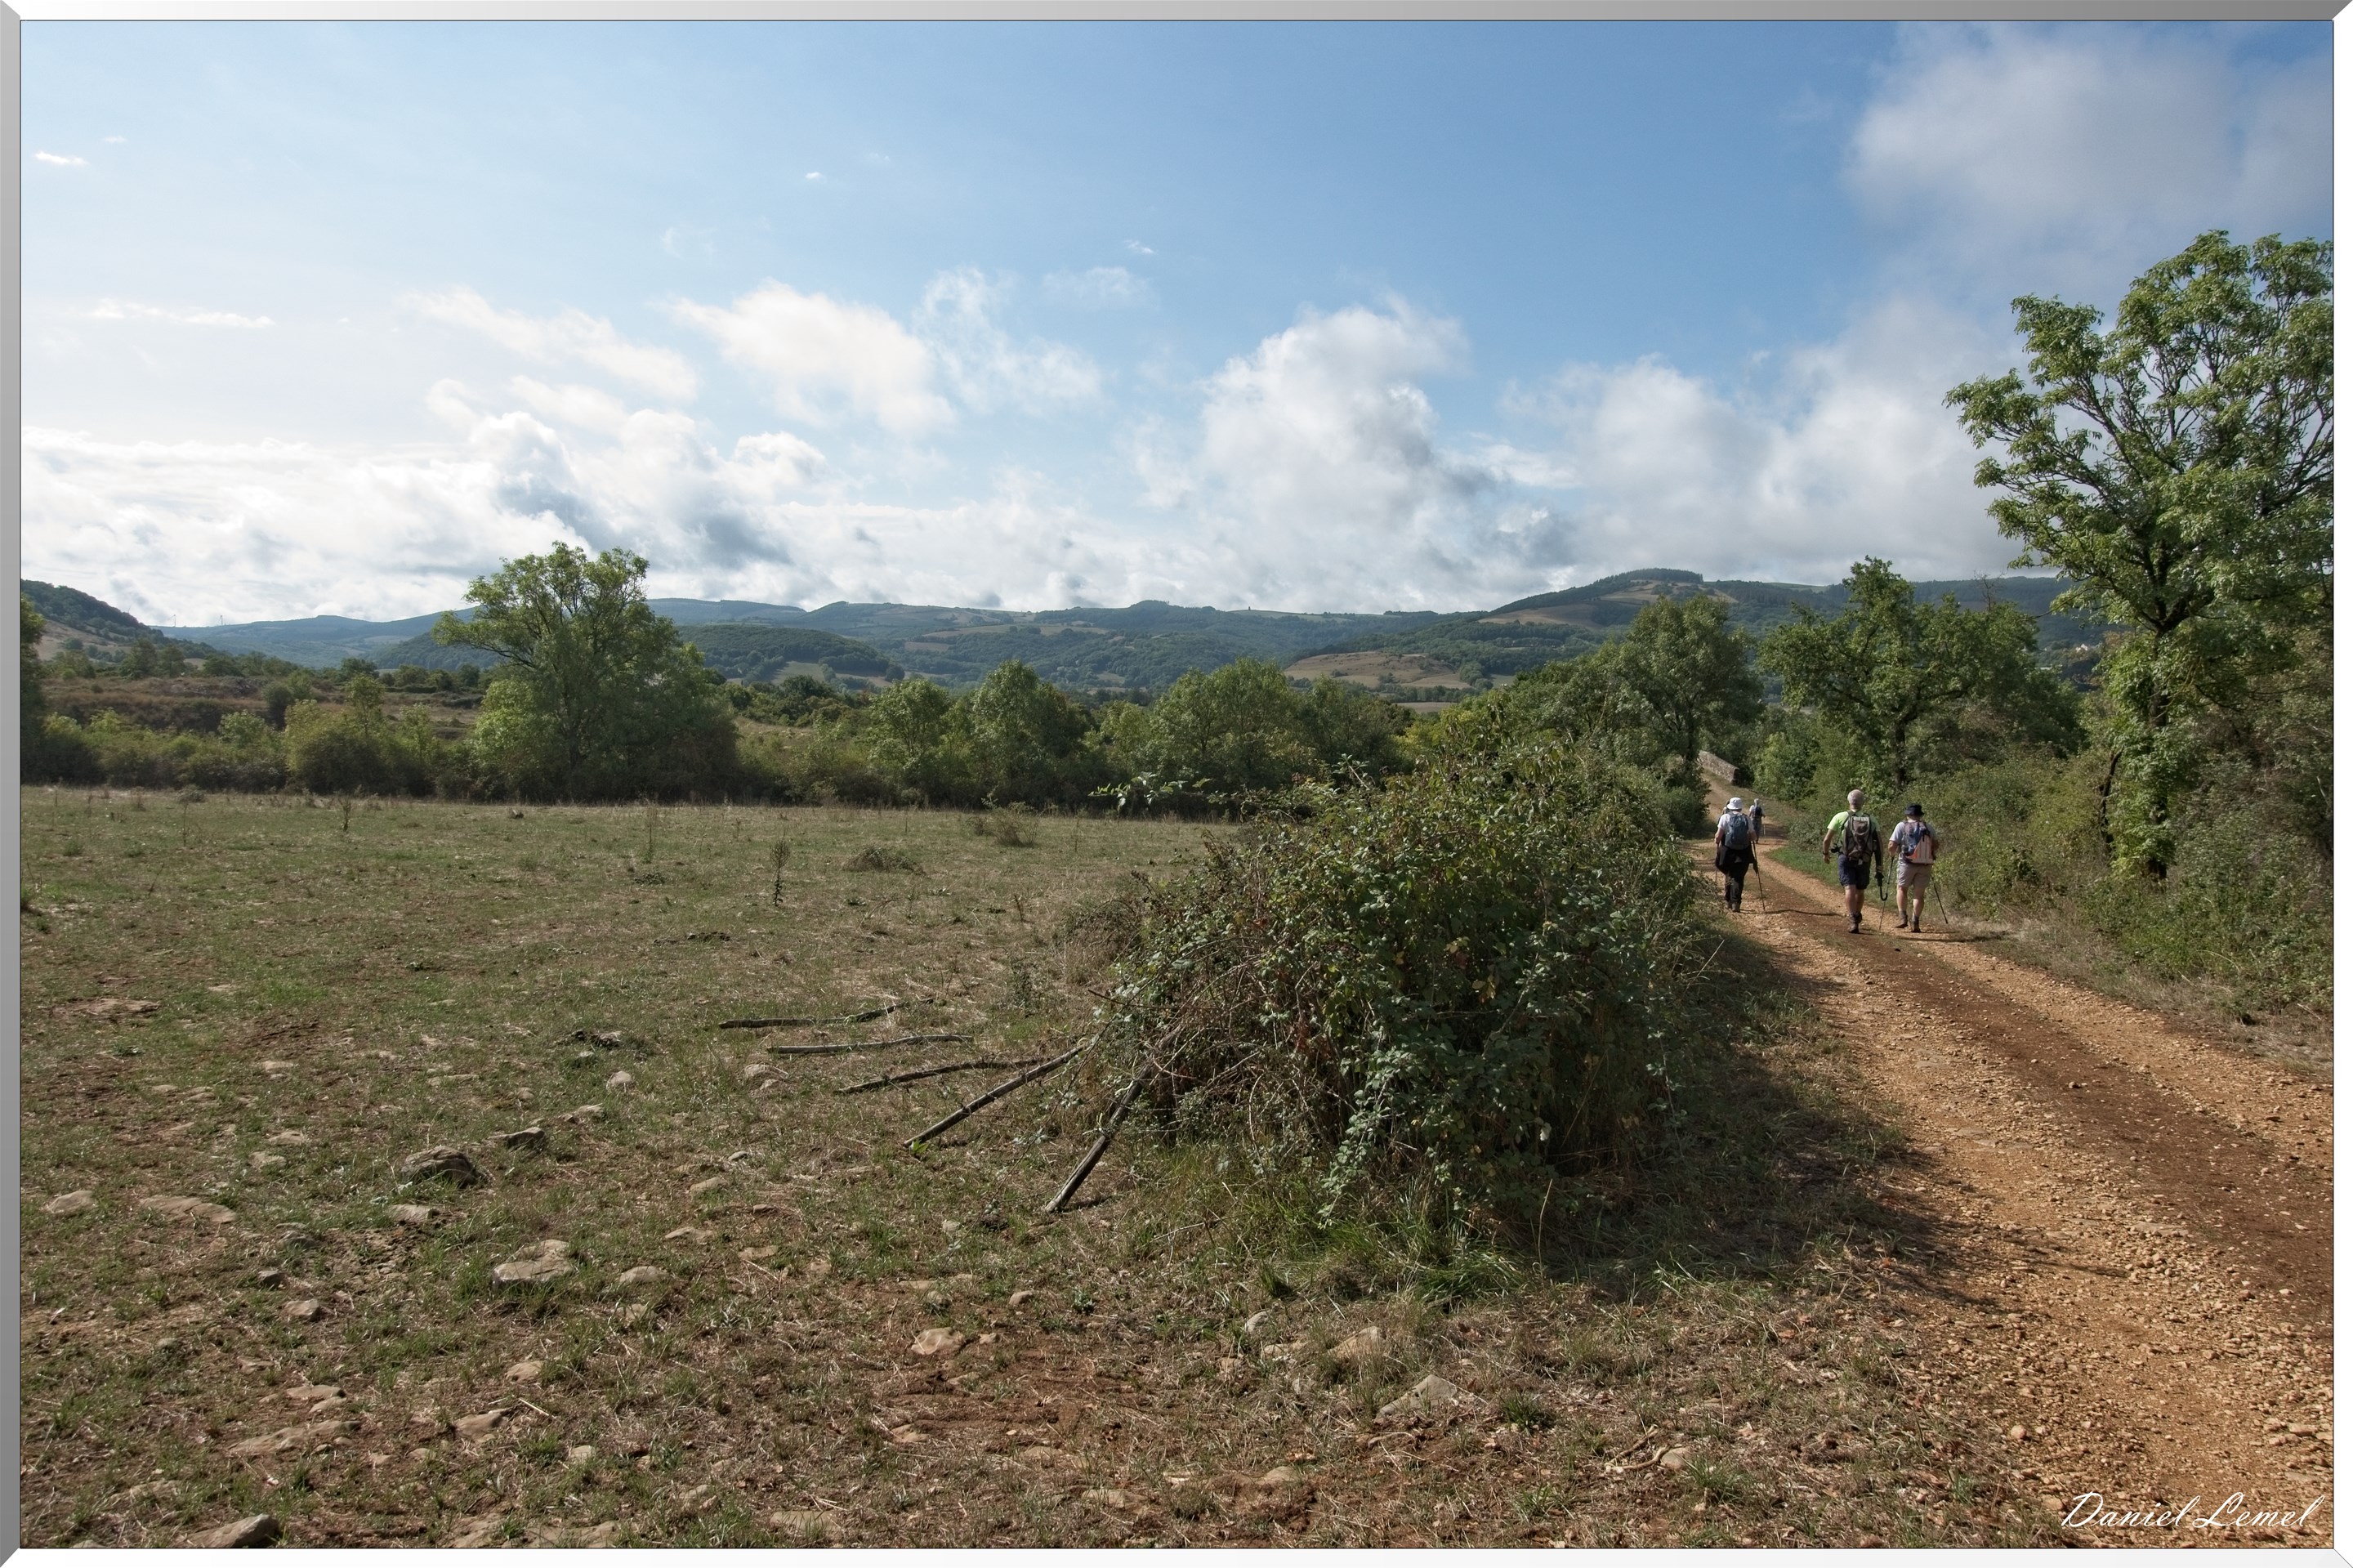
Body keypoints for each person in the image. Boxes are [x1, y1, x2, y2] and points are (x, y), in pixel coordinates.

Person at [1819, 788, 1881, 934]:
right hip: (1864, 858)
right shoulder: (1871, 819)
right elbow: (1879, 843)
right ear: (1862, 803)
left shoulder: (1840, 817)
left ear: (1849, 802)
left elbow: (1827, 839)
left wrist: (1826, 853)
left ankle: (1853, 919)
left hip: (1846, 857)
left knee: (1849, 888)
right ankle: (1857, 914)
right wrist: (1879, 865)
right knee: (1860, 890)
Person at [1889, 802, 1939, 931]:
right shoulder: (1928, 827)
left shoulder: (1902, 826)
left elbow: (1892, 844)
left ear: (1908, 815)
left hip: (1907, 863)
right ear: (1920, 815)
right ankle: (1915, 921)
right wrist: (1931, 854)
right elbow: (1936, 843)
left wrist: (1892, 854)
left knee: (1901, 889)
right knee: (1919, 894)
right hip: (1925, 864)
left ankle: (1903, 917)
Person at [1714, 795, 1757, 911]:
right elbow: (1753, 837)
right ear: (1740, 807)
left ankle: (1728, 900)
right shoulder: (1746, 819)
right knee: (1738, 877)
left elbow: (1718, 836)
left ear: (1730, 807)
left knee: (1729, 874)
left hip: (1728, 851)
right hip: (1743, 852)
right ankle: (1736, 903)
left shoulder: (1725, 817)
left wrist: (1716, 841)